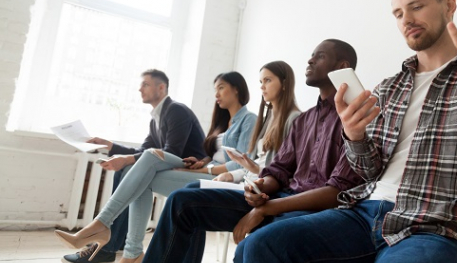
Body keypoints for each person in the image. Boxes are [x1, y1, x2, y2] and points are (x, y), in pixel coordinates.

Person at [237, 0, 457, 263]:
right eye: (398, 13)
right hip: (362, 214)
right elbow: (368, 171)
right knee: (262, 246)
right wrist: (354, 137)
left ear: (449, 5)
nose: (406, 20)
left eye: (416, 7)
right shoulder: (389, 88)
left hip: (437, 227)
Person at [141, 39, 364, 262]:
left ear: (342, 67)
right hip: (279, 198)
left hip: (313, 212)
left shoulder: (358, 121)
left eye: (320, 56)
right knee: (181, 202)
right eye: (312, 54)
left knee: (250, 247)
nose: (310, 59)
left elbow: (338, 192)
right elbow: (278, 170)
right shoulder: (303, 121)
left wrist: (266, 209)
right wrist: (259, 187)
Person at [55, 71, 256, 263]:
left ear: (237, 89)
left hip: (223, 180)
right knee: (140, 175)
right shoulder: (220, 123)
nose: (216, 94)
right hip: (200, 171)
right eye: (215, 89)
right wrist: (202, 162)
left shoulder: (248, 120)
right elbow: (210, 156)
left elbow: (240, 162)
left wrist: (204, 169)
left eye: (221, 88)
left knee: (149, 157)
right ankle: (131, 253)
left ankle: (101, 225)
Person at [216, 61, 301, 184]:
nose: (262, 86)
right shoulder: (269, 117)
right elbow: (258, 162)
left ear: (284, 84)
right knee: (194, 187)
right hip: (247, 182)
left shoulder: (295, 119)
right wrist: (232, 174)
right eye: (261, 82)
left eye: (268, 80)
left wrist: (252, 169)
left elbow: (285, 172)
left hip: (261, 187)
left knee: (185, 195)